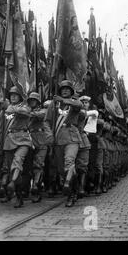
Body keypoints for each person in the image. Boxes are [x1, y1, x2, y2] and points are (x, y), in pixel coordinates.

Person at [45, 80, 83, 208]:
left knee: (69, 162)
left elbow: (79, 105)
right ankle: (75, 186)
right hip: (58, 139)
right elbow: (47, 121)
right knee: (62, 170)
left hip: (72, 138)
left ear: (71, 91)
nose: (65, 90)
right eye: (63, 89)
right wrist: (49, 135)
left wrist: (62, 100)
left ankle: (70, 194)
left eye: (67, 89)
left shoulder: (74, 102)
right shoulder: (54, 105)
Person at [0, 87, 32, 208]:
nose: (13, 97)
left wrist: (8, 108)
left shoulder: (25, 106)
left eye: (16, 95)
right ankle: (19, 195)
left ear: (21, 97)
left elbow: (24, 113)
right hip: (9, 141)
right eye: (11, 95)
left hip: (23, 139)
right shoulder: (5, 110)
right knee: (10, 169)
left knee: (17, 163)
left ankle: (13, 184)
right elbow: (0, 128)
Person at [27, 92, 53, 203]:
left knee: (38, 164)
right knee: (28, 166)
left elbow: (41, 115)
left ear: (38, 101)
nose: (32, 102)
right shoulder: (26, 111)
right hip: (29, 140)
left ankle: (36, 188)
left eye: (34, 100)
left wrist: (28, 113)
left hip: (42, 140)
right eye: (30, 100)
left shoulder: (43, 111)